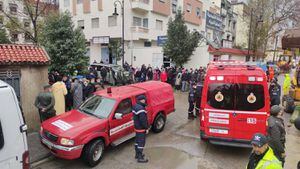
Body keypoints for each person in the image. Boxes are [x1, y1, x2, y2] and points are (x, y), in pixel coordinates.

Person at [132, 95, 149, 163]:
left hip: (136, 127)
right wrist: (146, 128)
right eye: (144, 99)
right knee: (141, 143)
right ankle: (140, 157)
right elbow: (143, 120)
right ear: (142, 100)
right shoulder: (141, 109)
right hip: (141, 128)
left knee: (137, 141)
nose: (145, 100)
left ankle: (137, 154)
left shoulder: (135, 106)